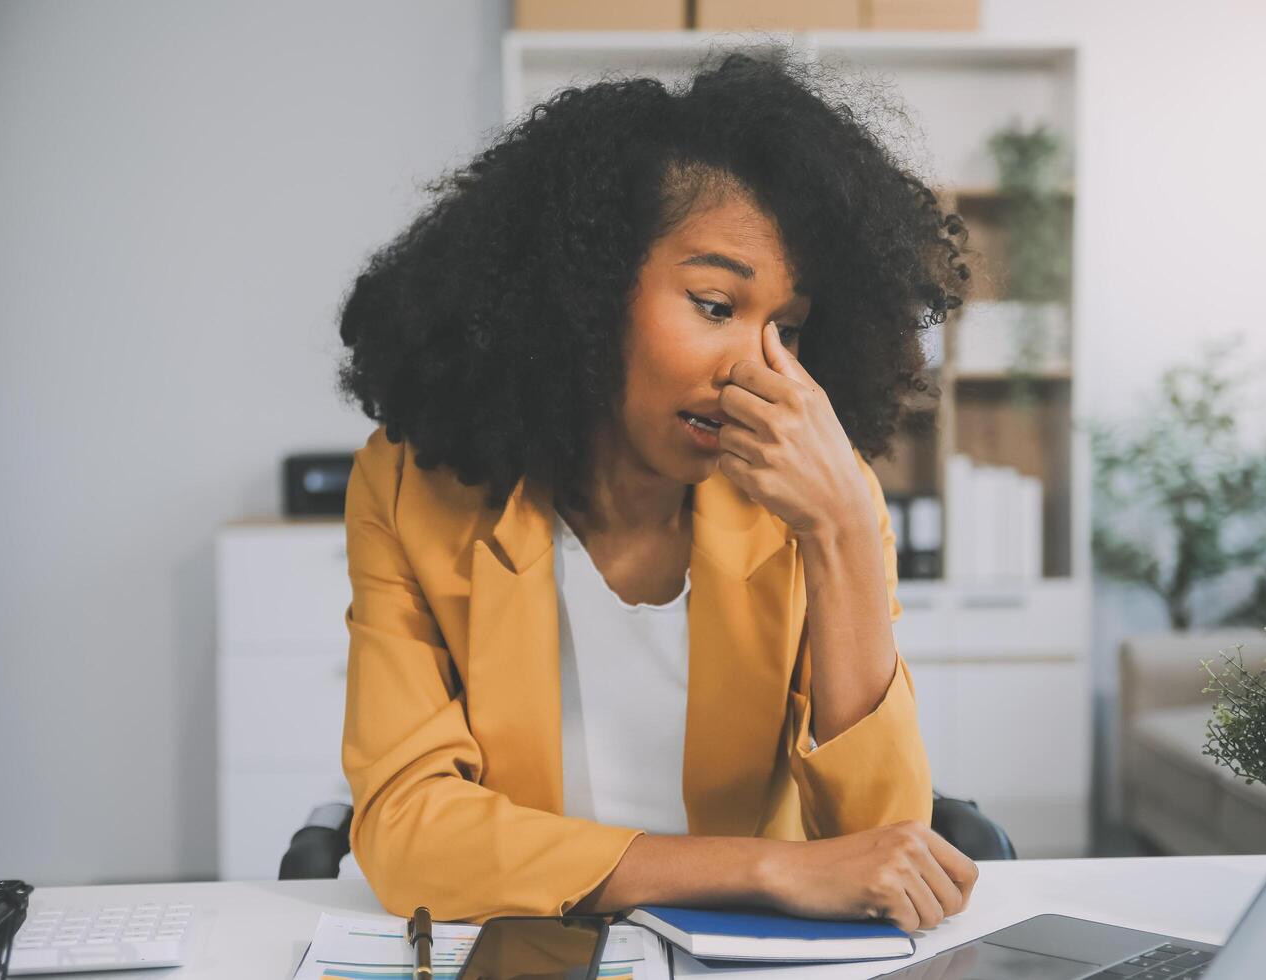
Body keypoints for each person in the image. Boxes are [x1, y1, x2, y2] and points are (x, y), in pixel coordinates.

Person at [334, 48, 976, 931]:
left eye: (787, 328)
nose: (762, 368)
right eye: (716, 305)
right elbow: (409, 832)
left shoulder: (813, 502)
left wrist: (844, 536)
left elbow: (881, 855)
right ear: (586, 293)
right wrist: (764, 870)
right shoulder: (409, 489)